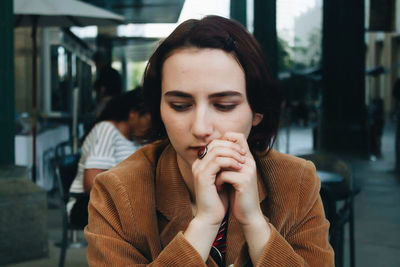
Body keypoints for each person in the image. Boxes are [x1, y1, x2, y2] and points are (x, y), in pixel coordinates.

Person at [85, 16, 334, 266]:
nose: (201, 128)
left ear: (257, 112)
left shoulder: (295, 181)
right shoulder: (119, 191)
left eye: (224, 106)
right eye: (180, 106)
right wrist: (204, 224)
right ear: (158, 110)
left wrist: (255, 223)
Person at [68, 88, 151, 228]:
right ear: (133, 114)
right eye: (150, 120)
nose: (151, 126)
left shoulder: (136, 140)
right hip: (87, 205)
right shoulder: (106, 130)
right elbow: (91, 184)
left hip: (121, 205)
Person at [92, 51, 123, 118]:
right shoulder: (114, 72)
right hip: (116, 100)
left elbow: (102, 89)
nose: (96, 65)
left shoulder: (104, 72)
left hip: (107, 99)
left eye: (96, 63)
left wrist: (99, 100)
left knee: (99, 117)